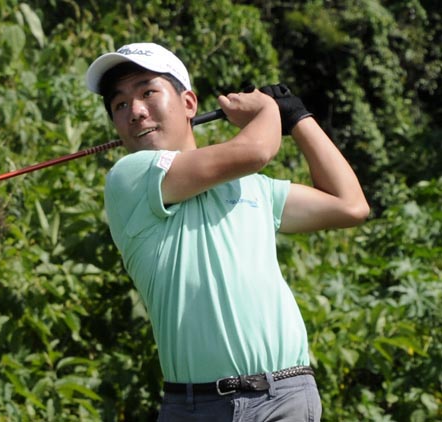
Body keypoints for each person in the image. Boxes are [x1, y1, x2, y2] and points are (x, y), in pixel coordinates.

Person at [85, 42, 369, 421]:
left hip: (284, 395)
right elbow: (255, 150)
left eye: (148, 92)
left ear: (189, 104)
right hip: (191, 407)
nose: (135, 111)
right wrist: (269, 110)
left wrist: (300, 117)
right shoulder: (129, 177)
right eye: (120, 105)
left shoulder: (256, 188)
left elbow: (350, 205)